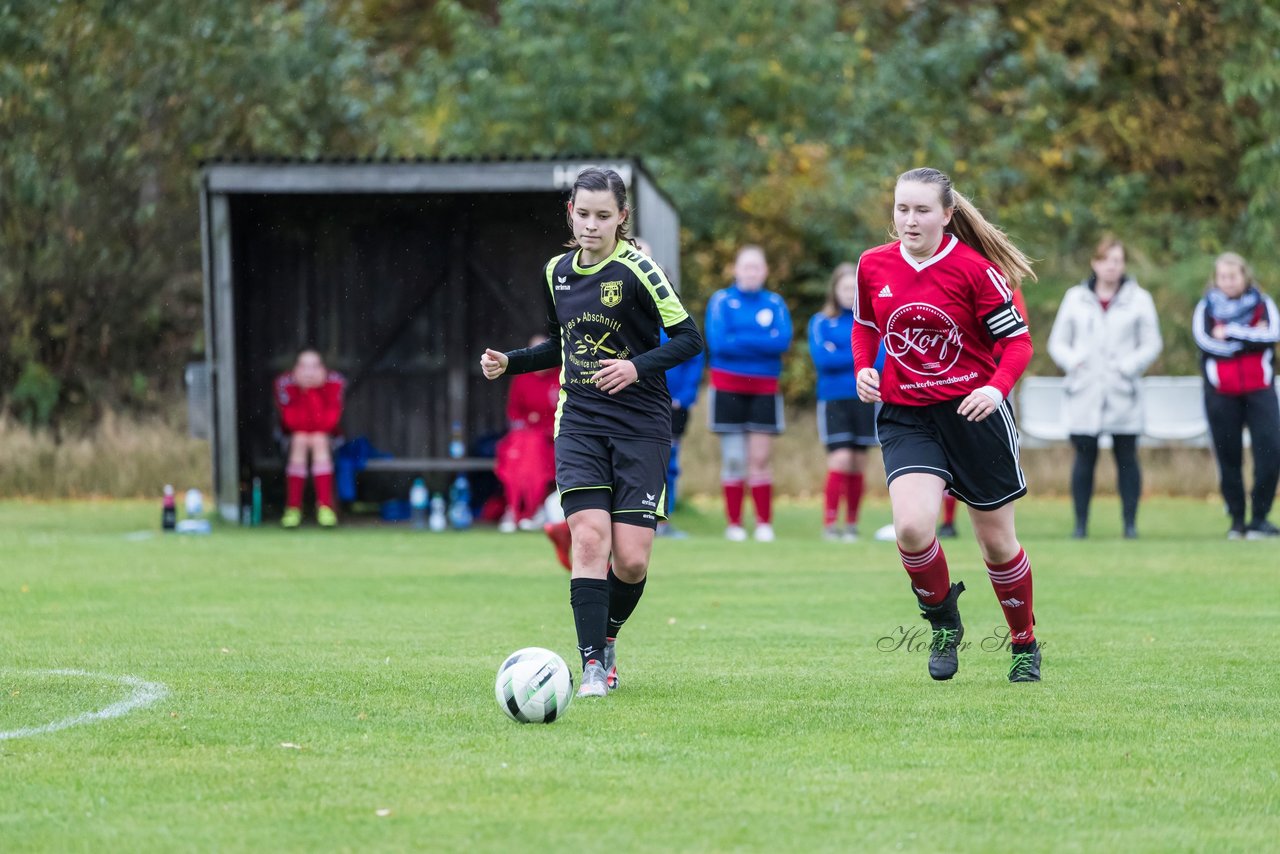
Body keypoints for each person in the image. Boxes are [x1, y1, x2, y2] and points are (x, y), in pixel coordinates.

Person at [480, 167, 703, 698]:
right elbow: (563, 345)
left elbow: (690, 339)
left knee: (630, 560)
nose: (592, 225)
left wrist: (637, 367)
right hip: (578, 421)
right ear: (570, 214)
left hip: (641, 427)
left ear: (622, 218)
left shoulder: (640, 270)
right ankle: (592, 671)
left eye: (604, 216)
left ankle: (606, 639)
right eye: (583, 214)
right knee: (587, 538)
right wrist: (509, 362)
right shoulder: (556, 271)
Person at [853, 166, 1042, 683]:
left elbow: (1018, 344)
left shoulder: (976, 270)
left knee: (997, 544)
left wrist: (993, 388)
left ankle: (1024, 644)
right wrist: (864, 370)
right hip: (907, 416)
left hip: (973, 415)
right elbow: (866, 327)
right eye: (901, 209)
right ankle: (943, 623)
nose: (909, 220)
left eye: (921, 210)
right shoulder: (873, 265)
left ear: (947, 214)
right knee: (913, 528)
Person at [1047, 238, 1162, 539]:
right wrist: (1075, 362)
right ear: (1095, 263)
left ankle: (1130, 524)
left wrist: (1129, 366)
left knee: (1127, 458)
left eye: (1118, 260)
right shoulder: (1075, 298)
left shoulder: (1139, 299)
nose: (1113, 265)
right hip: (1085, 390)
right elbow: (1058, 342)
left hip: (1123, 390)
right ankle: (1081, 525)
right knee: (1084, 458)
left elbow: (1151, 343)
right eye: (1107, 259)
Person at [704, 245, 793, 542]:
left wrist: (741, 340)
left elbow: (781, 342)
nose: (751, 272)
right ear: (736, 269)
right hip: (727, 388)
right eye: (746, 266)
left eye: (757, 267)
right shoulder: (721, 301)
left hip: (765, 389)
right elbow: (719, 344)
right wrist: (759, 341)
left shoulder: (775, 303)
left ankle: (764, 523)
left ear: (765, 271)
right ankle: (734, 524)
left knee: (760, 458)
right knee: (733, 459)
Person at [1193, 252, 1280, 539]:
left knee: (1270, 452)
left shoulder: (1263, 304)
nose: (1229, 282)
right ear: (1216, 280)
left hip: (1259, 390)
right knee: (1229, 458)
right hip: (1221, 393)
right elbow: (1206, 343)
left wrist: (1230, 331)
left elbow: (1271, 336)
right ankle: (1237, 520)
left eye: (1234, 276)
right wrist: (1247, 338)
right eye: (1223, 277)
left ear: (1244, 276)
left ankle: (1259, 518)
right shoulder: (1205, 308)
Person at [808, 262, 878, 541]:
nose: (850, 293)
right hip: (833, 400)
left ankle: (851, 525)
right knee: (840, 460)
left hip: (866, 398)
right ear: (834, 290)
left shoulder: (872, 322)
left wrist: (842, 353)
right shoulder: (821, 322)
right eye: (845, 287)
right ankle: (830, 524)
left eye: (854, 288)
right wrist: (859, 356)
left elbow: (881, 360)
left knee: (859, 462)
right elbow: (823, 360)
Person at [495, 334, 559, 533]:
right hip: (527, 438)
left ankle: (531, 508)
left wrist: (546, 427)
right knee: (518, 457)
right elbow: (514, 413)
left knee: (534, 454)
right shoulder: (522, 377)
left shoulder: (561, 375)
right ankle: (518, 509)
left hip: (553, 439)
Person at [273, 349, 345, 528]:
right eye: (304, 366)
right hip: (292, 438)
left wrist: (314, 392)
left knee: (318, 439)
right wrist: (303, 391)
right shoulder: (284, 383)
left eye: (314, 366)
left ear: (323, 368)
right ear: (295, 369)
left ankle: (325, 508)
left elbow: (327, 423)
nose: (309, 372)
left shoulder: (335, 382)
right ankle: (293, 508)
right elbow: (292, 423)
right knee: (300, 439)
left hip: (328, 438)